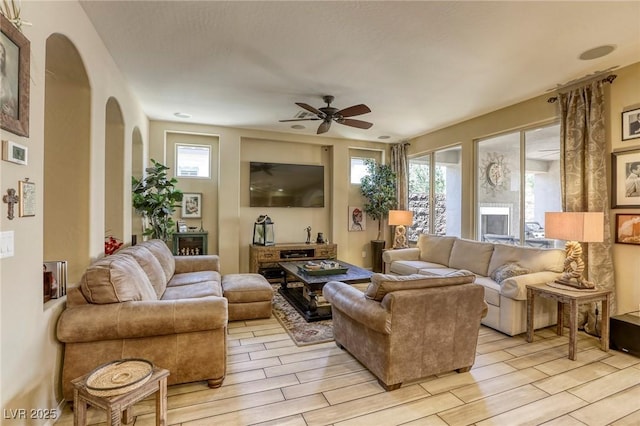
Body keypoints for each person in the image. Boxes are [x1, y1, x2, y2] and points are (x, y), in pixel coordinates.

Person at [0, 40, 18, 118]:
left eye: (2, 55)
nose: (1, 57)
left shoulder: (5, 80)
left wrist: (9, 112)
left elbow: (14, 111)